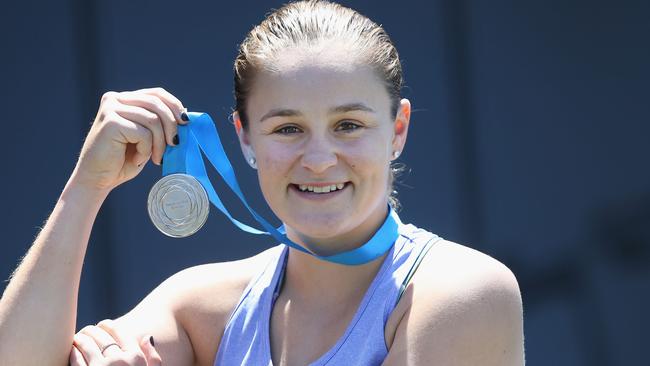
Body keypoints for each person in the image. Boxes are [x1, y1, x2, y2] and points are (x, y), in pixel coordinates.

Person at [0, 1, 524, 365]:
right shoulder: (202, 305)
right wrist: (85, 188)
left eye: (348, 125)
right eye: (288, 128)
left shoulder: (463, 292)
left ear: (398, 130)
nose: (319, 159)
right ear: (244, 138)